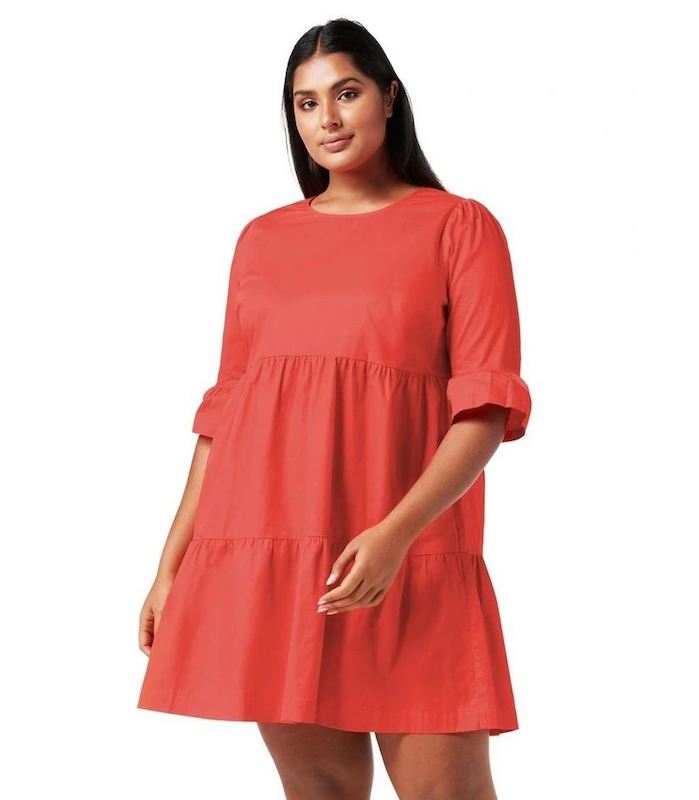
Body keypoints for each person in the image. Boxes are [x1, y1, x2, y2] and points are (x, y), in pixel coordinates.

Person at [137, 17, 532, 800]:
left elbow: (484, 410)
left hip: (410, 557)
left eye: (345, 93)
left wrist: (392, 537)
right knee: (319, 792)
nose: (327, 119)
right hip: (277, 560)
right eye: (306, 102)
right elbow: (225, 416)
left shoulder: (459, 226)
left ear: (388, 96)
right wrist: (169, 564)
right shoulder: (261, 240)